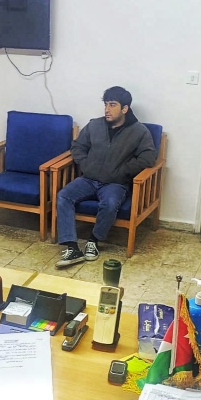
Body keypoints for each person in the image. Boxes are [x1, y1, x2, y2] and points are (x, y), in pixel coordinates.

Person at [54, 86, 157, 268]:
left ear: (125, 108)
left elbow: (148, 158)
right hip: (89, 179)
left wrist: (123, 171)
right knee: (63, 196)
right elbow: (77, 147)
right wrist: (86, 165)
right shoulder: (94, 125)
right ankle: (72, 247)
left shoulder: (139, 131)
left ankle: (93, 241)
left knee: (109, 204)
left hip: (115, 183)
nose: (107, 109)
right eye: (106, 105)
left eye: (112, 105)